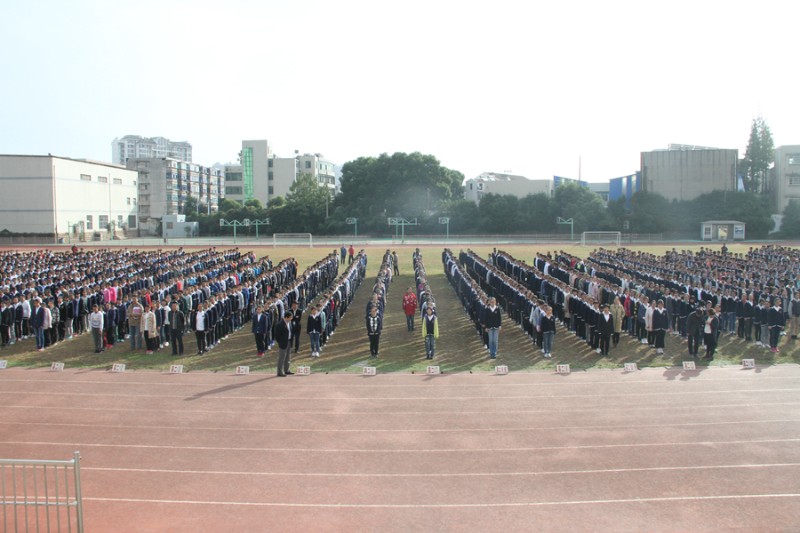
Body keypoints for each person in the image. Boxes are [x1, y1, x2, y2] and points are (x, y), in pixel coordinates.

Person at [274, 311, 295, 376]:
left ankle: (286, 370)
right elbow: (277, 335)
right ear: (286, 317)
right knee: (282, 357)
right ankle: (279, 371)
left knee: (288, 357)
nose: (291, 318)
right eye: (290, 317)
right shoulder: (279, 324)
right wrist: (280, 342)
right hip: (283, 343)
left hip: (289, 341)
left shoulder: (290, 323)